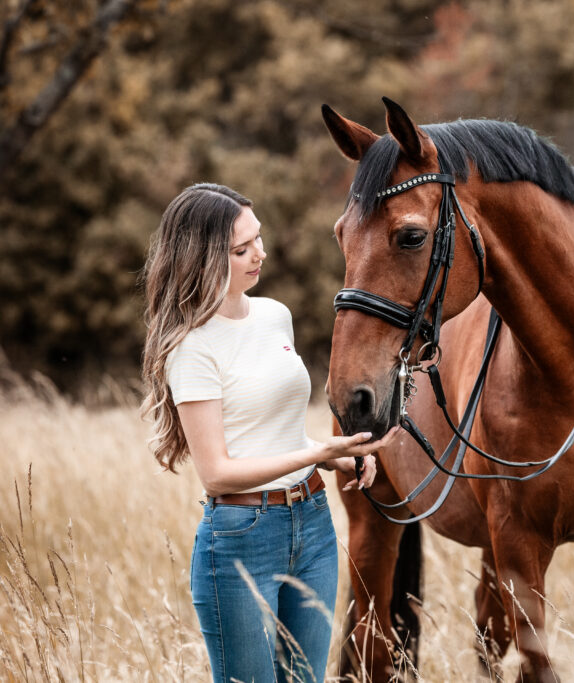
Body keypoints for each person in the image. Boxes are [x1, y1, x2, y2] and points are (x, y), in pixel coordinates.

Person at [140, 183, 398, 682]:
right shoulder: (192, 347)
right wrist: (318, 450)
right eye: (241, 249)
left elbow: (273, 437)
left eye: (258, 238)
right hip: (240, 539)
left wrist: (338, 458)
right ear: (202, 257)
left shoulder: (275, 316)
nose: (260, 253)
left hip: (314, 525)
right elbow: (217, 474)